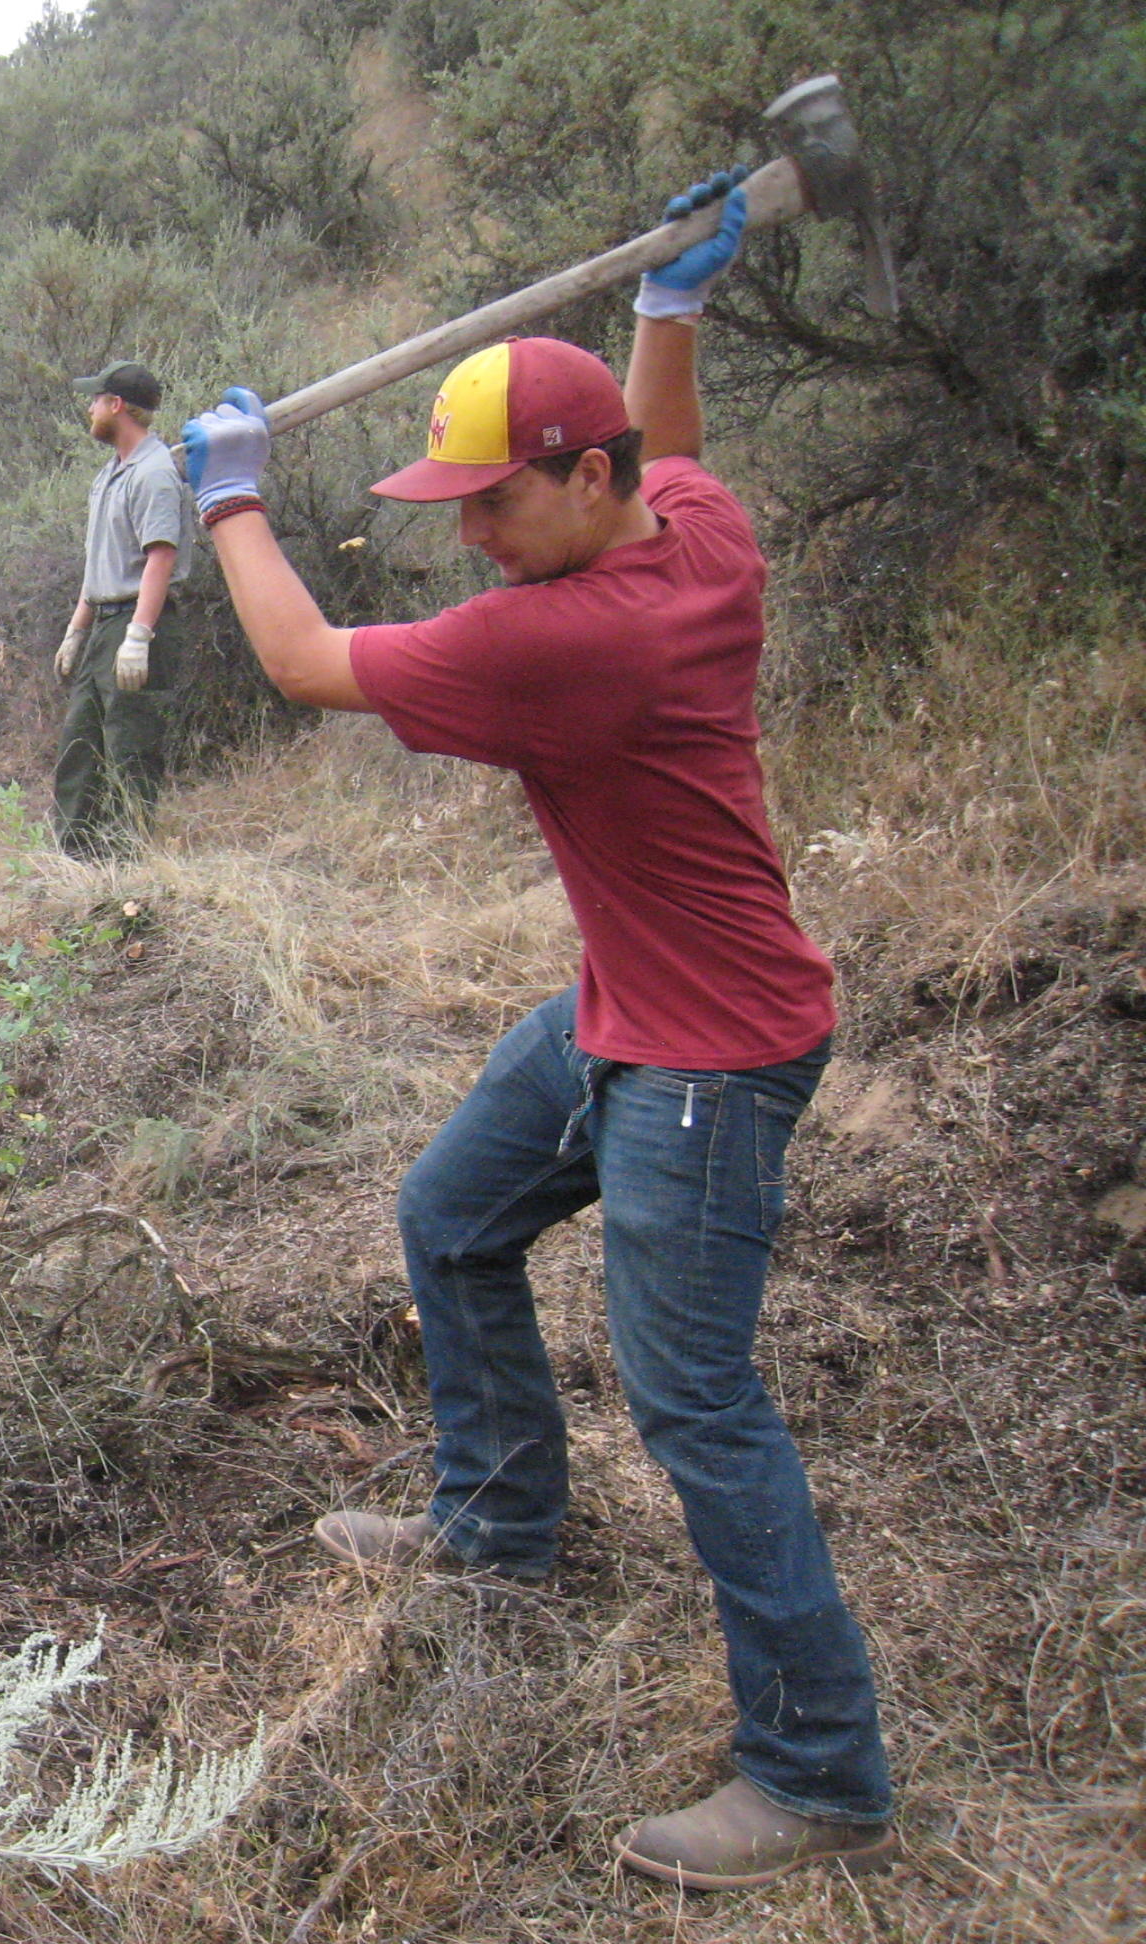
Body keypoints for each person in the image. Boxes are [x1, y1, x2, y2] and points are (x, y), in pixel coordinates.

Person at [177, 172, 897, 1891]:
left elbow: (296, 660)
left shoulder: (565, 643)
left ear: (581, 487)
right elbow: (669, 440)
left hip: (705, 1060)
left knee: (696, 1399)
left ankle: (821, 1768)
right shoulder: (687, 530)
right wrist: (673, 305)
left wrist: (224, 497)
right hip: (624, 1010)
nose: (466, 536)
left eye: (489, 503)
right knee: (450, 1213)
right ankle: (498, 1523)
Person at [51, 359, 194, 859]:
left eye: (95, 400)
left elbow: (161, 555)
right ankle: (75, 860)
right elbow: (100, 568)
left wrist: (140, 636)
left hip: (138, 622)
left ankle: (125, 865)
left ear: (116, 406)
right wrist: (76, 631)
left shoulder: (154, 472)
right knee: (80, 745)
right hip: (104, 625)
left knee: (129, 747)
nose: (89, 409)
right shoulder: (108, 476)